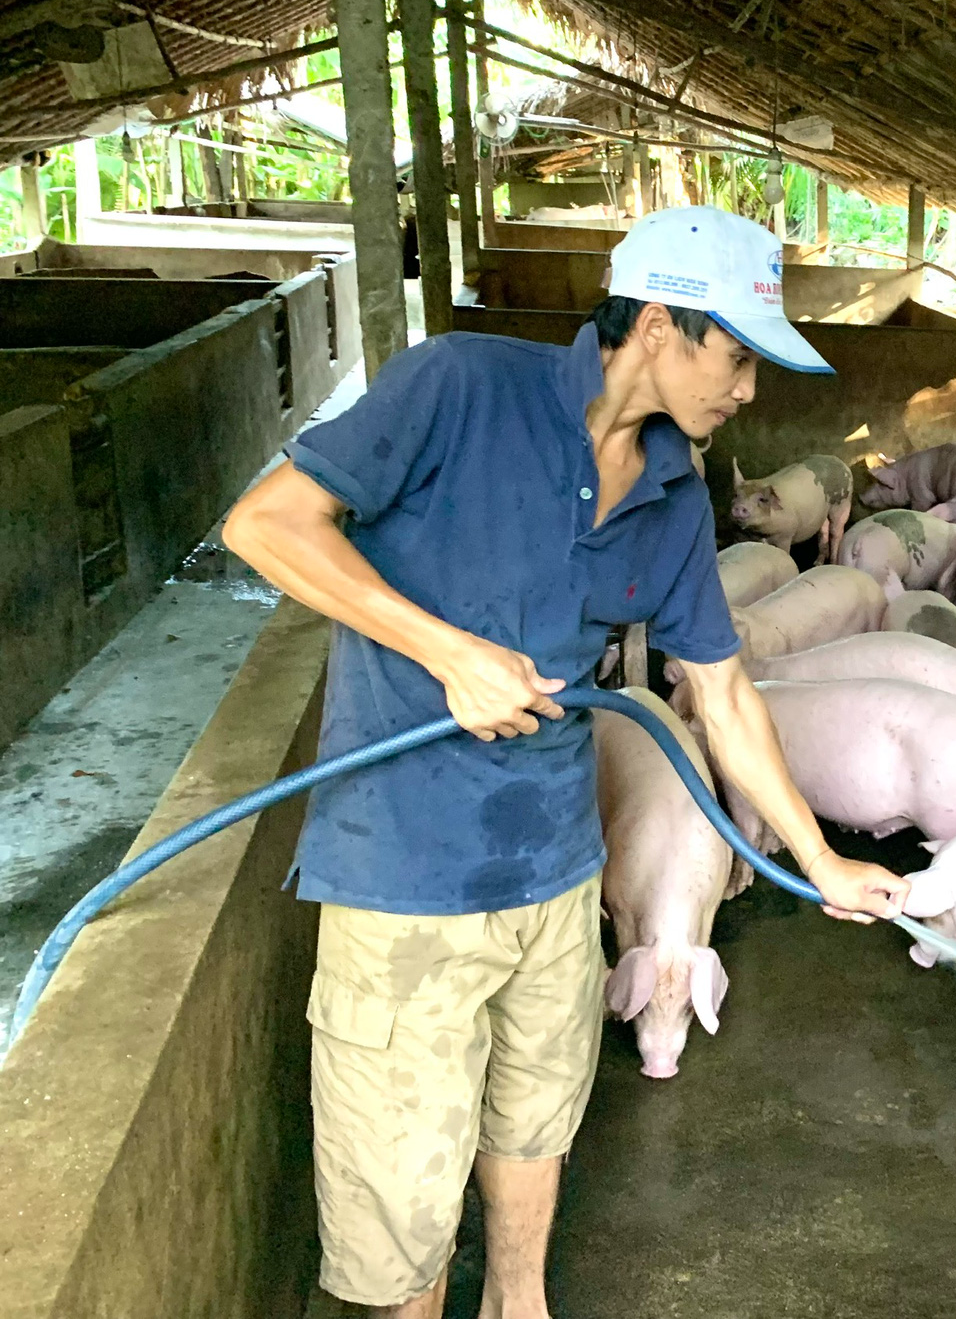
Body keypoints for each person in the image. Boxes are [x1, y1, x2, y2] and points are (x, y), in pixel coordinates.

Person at [223, 206, 908, 1319]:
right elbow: (267, 524)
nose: (746, 392)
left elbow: (722, 690)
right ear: (654, 326)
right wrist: (447, 653)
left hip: (556, 867)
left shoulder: (678, 487)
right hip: (406, 876)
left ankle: (518, 1304)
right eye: (735, 357)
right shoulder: (456, 386)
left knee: (535, 1119)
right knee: (399, 1197)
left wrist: (820, 857)